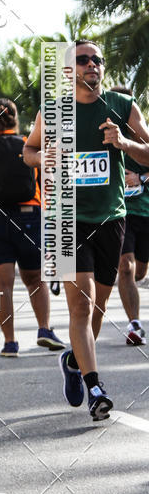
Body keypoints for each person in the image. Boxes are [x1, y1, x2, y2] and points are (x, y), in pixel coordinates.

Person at [24, 41, 149, 420]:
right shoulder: (55, 111)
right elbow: (28, 152)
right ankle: (96, 386)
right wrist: (44, 156)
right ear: (68, 70)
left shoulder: (122, 106)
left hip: (111, 217)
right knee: (80, 303)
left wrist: (123, 142)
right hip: (64, 217)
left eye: (97, 59)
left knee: (98, 306)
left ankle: (75, 360)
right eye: (82, 60)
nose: (92, 65)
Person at [0, 99, 64, 357]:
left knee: (2, 285)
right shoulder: (30, 148)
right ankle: (44, 329)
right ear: (16, 120)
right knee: (35, 280)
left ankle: (10, 342)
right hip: (29, 217)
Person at [112, 87, 149, 345]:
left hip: (146, 212)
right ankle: (134, 324)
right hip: (120, 212)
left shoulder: (141, 136)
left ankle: (129, 285)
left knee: (139, 270)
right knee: (125, 266)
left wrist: (141, 177)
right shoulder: (101, 136)